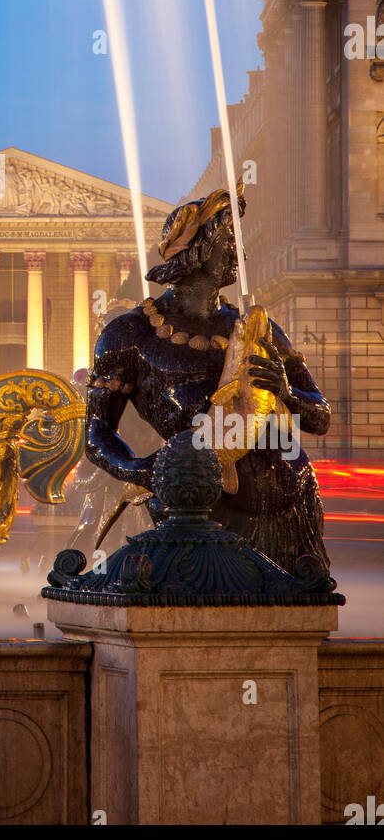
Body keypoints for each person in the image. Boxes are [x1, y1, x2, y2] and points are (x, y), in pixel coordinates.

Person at [86, 183, 331, 572]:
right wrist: (148, 471)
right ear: (197, 251)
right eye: (231, 242)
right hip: (193, 503)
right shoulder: (130, 334)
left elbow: (320, 418)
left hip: (287, 501)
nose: (242, 253)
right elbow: (96, 435)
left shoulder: (258, 330)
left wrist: (287, 392)